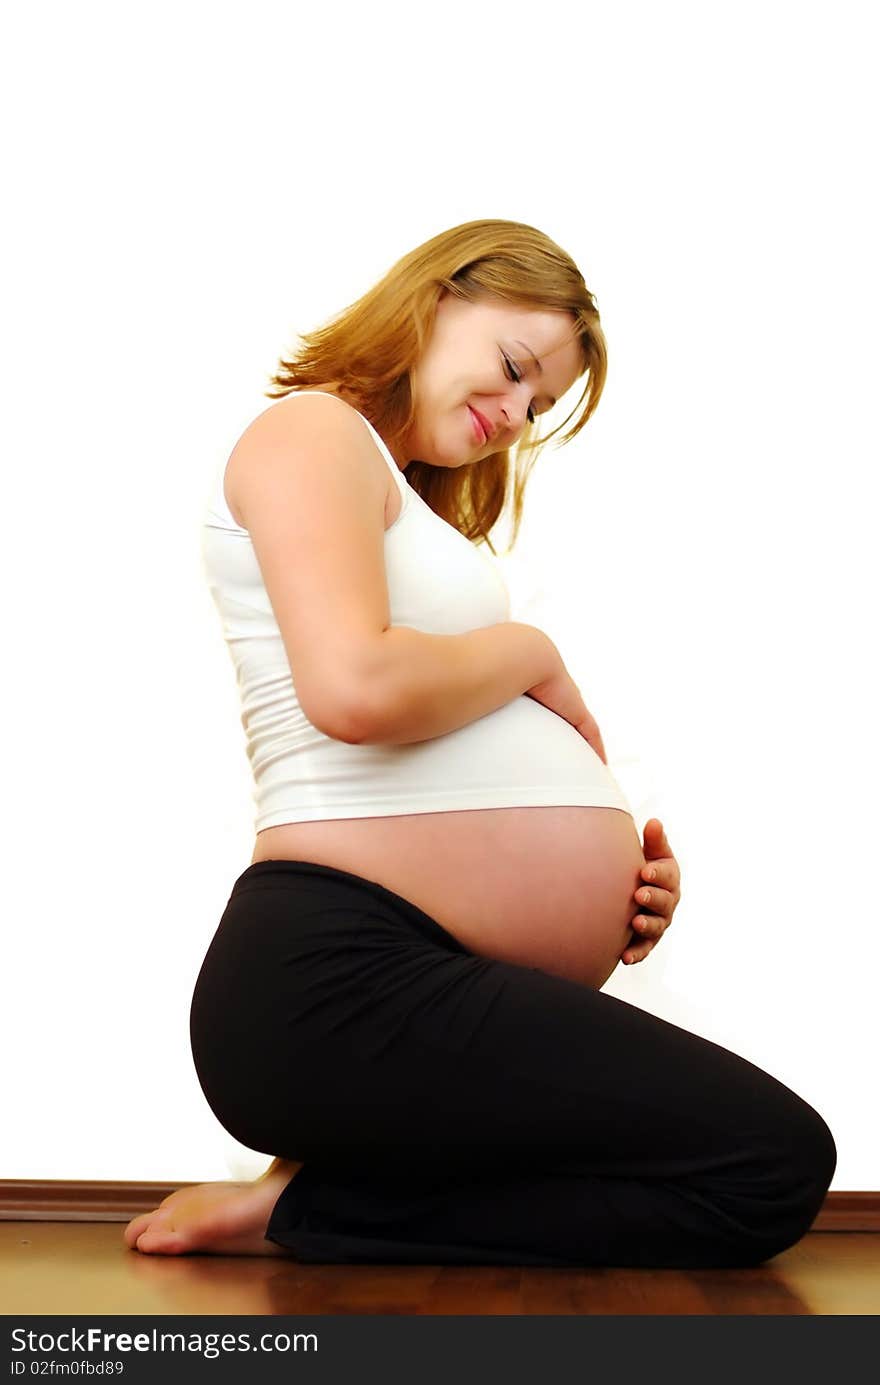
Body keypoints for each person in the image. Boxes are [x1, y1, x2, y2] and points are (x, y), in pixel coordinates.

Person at [124, 219, 836, 1266]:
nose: (515, 414)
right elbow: (355, 688)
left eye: (539, 405)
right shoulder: (312, 433)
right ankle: (312, 1210)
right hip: (330, 980)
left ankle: (322, 1197)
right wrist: (530, 650)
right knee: (766, 1161)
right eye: (513, 368)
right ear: (435, 297)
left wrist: (601, 886)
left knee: (754, 1163)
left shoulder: (394, 493)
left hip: (404, 967)